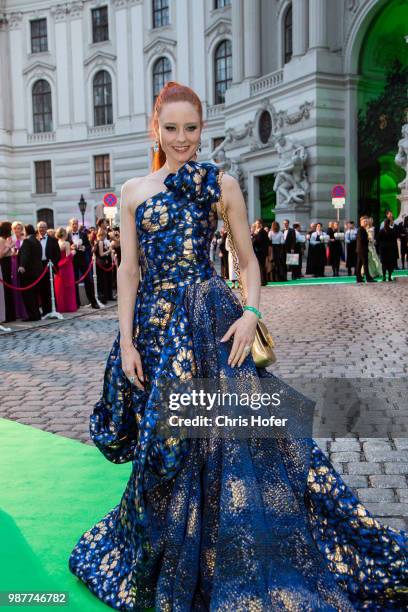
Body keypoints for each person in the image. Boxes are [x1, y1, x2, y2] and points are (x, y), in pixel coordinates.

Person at [68, 82, 407, 610]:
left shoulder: (221, 184)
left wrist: (251, 314)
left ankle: (225, 558)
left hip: (214, 326)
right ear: (155, 128)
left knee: (235, 444)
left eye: (192, 128)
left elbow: (248, 263)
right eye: (172, 128)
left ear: (203, 130)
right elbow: (129, 271)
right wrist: (127, 341)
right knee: (167, 449)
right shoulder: (133, 191)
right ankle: (171, 551)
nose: (182, 139)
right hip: (158, 336)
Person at [66, 218, 100, 310]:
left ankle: (93, 302)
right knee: (74, 281)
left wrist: (84, 247)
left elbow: (89, 246)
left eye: (76, 223)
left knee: (88, 281)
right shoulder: (67, 236)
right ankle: (76, 303)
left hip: (83, 261)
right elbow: (64, 247)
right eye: (73, 224)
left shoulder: (83, 234)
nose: (75, 225)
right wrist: (70, 247)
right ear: (70, 225)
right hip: (72, 261)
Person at [17, 224, 42, 321]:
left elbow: (25, 255)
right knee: (34, 294)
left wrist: (22, 265)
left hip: (28, 273)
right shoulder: (37, 241)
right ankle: (37, 314)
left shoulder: (27, 241)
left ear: (26, 231)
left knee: (28, 295)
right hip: (37, 272)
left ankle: (32, 315)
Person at [36, 221, 61, 315]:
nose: (42, 229)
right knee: (41, 288)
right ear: (37, 228)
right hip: (39, 266)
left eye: (43, 227)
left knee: (50, 288)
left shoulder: (53, 240)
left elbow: (58, 254)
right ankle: (45, 310)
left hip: (49, 265)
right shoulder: (35, 240)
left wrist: (53, 264)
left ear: (46, 228)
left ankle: (53, 309)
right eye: (40, 227)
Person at [54, 227, 77, 313]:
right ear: (64, 234)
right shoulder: (66, 243)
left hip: (60, 266)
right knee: (69, 285)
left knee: (61, 286)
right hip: (67, 266)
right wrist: (73, 253)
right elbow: (68, 257)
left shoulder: (57, 242)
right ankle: (69, 306)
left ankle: (61, 306)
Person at [10, 221, 28, 320]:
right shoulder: (10, 239)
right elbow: (10, 253)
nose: (17, 230)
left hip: (21, 265)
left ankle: (23, 311)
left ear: (22, 229)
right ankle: (15, 312)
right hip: (12, 264)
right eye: (15, 228)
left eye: (19, 228)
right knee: (14, 286)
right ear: (13, 229)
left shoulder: (24, 240)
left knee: (22, 287)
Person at [0, 221, 16, 322]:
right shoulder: (1, 240)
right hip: (4, 265)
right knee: (6, 291)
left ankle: (11, 315)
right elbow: (1, 255)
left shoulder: (5, 239)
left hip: (8, 264)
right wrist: (9, 247)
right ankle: (7, 315)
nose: (11, 230)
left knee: (9, 291)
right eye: (10, 228)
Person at [94, 227, 114, 304]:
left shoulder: (96, 241)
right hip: (101, 263)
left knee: (100, 281)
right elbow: (101, 254)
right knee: (102, 280)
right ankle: (103, 297)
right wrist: (109, 250)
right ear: (102, 235)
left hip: (98, 263)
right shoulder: (101, 242)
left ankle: (103, 297)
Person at [356, 216, 375, 283]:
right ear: (361, 222)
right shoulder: (361, 229)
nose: (366, 222)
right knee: (365, 264)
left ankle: (359, 278)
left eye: (366, 221)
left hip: (361, 249)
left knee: (360, 264)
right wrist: (368, 239)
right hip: (362, 249)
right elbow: (361, 240)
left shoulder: (362, 229)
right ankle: (368, 278)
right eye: (364, 221)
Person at [252, 218, 270, 286]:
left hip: (261, 252)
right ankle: (261, 281)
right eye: (256, 224)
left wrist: (255, 235)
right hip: (258, 251)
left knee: (261, 266)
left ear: (260, 224)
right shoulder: (258, 231)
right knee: (259, 267)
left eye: (257, 224)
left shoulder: (262, 232)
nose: (256, 225)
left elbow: (258, 241)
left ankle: (263, 281)